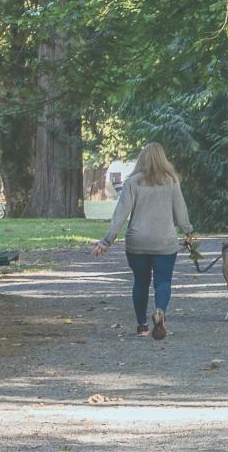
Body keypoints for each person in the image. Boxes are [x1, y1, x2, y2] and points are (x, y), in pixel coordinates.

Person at [91, 143, 195, 340]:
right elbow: (180, 212)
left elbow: (120, 215)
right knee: (163, 281)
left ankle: (142, 326)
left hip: (137, 242)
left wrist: (105, 242)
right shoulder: (172, 181)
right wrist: (188, 230)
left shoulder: (133, 182)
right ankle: (160, 312)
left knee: (140, 281)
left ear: (142, 159)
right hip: (164, 241)